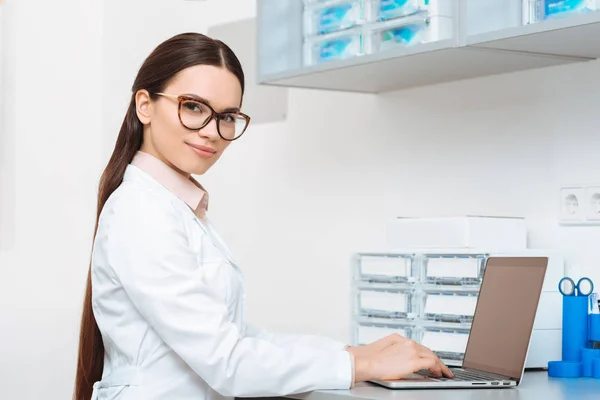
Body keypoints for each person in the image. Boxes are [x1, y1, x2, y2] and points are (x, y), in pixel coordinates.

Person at [73, 32, 452, 400]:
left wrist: (357, 354)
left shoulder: (174, 209)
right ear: (145, 106)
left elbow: (240, 338)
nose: (211, 132)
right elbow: (228, 362)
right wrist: (359, 366)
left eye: (227, 116)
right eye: (193, 107)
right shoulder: (141, 212)